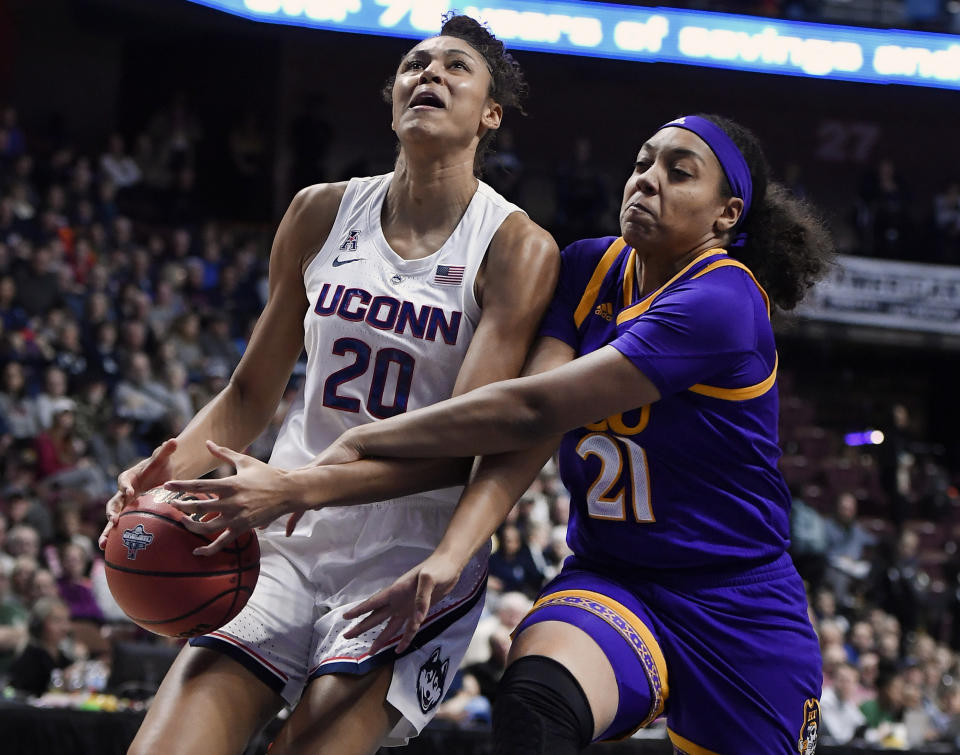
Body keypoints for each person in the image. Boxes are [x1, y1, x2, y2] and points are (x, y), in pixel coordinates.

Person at [271, 114, 833, 754]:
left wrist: (365, 440)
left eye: (679, 173)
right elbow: (530, 436)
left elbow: (532, 407)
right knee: (535, 706)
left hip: (739, 602)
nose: (648, 181)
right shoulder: (589, 267)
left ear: (726, 215)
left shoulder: (723, 301)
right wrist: (450, 556)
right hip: (615, 581)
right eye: (643, 163)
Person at [99, 14, 557, 755]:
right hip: (283, 535)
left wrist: (300, 486)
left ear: (490, 114)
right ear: (392, 97)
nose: (429, 74)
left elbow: (460, 450)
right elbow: (250, 395)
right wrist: (170, 468)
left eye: (454, 68)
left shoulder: (515, 246)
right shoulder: (320, 210)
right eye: (415, 64)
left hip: (411, 557)